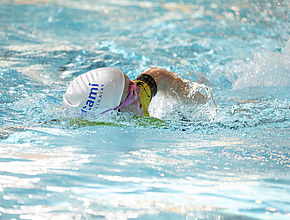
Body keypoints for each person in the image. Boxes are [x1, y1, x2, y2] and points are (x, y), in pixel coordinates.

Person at [63, 67, 213, 117]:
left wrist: (194, 99)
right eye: (131, 94)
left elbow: (159, 75)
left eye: (132, 85)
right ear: (113, 113)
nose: (139, 90)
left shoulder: (136, 96)